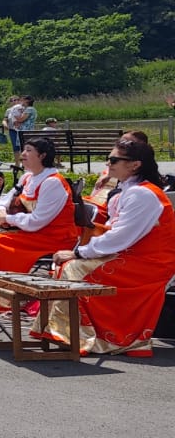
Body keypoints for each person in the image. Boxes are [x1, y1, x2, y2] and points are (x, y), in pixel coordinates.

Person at [41, 138, 175, 356]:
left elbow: (119, 238)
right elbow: (116, 233)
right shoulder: (130, 190)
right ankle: (70, 333)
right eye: (108, 159)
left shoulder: (143, 194)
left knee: (73, 268)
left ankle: (89, 337)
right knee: (67, 265)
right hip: (134, 256)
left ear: (135, 164)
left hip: (150, 264)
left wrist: (79, 251)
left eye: (114, 159)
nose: (108, 164)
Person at [0, 137, 77, 305]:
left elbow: (37, 221)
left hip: (52, 237)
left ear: (42, 156)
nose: (23, 154)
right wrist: (1, 211)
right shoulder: (27, 177)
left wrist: (8, 219)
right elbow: (5, 199)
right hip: (30, 232)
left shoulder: (53, 182)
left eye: (29, 151)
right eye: (24, 150)